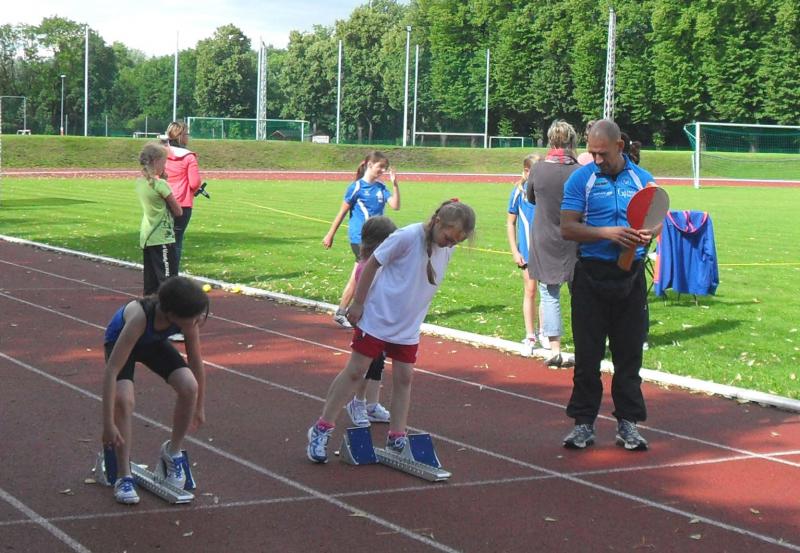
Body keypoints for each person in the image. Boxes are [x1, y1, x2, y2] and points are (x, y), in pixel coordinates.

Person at [307, 200, 476, 463]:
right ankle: (322, 428)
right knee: (355, 372)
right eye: (449, 238)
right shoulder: (407, 237)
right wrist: (358, 303)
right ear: (438, 222)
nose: (450, 244)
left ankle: (397, 435)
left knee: (404, 378)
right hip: (378, 317)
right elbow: (372, 263)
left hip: (407, 326)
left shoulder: (445, 249)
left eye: (457, 242)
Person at [560, 119, 660, 451]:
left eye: (602, 153)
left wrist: (649, 233)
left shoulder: (642, 180)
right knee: (587, 356)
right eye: (592, 153)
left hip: (630, 277)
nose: (597, 159)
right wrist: (607, 233)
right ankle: (583, 424)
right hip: (591, 275)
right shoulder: (581, 179)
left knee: (629, 355)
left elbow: (656, 219)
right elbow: (567, 227)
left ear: (620, 146)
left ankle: (628, 425)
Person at [101, 276, 209, 504]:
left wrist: (199, 405)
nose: (198, 320)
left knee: (189, 387)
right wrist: (108, 424)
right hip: (122, 342)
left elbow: (196, 362)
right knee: (124, 400)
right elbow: (112, 371)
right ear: (172, 314)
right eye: (193, 316)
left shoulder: (188, 321)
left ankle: (172, 453)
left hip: (152, 344)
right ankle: (124, 475)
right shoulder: (140, 317)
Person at [323, 151, 400, 328]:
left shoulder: (381, 188)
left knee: (362, 275)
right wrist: (330, 234)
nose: (383, 171)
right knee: (365, 275)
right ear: (370, 165)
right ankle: (350, 312)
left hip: (378, 237)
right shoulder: (356, 187)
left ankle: (345, 311)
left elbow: (395, 206)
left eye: (385, 168)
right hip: (361, 238)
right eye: (381, 167)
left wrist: (395, 185)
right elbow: (342, 212)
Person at [526, 120, 580, 368]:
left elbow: (531, 198)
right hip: (575, 236)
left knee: (549, 293)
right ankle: (584, 345)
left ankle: (554, 349)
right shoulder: (579, 171)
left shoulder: (538, 170)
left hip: (545, 236)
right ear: (572, 141)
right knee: (580, 295)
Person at [344, 216, 398, 427]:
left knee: (378, 364)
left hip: (382, 323)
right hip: (368, 322)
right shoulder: (368, 266)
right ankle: (358, 402)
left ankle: (372, 405)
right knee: (365, 365)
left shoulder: (380, 265)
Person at [506, 154, 543, 355]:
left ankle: (545, 332)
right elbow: (510, 223)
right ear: (527, 172)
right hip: (527, 251)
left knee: (547, 292)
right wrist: (515, 250)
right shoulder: (518, 192)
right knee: (530, 290)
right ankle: (530, 335)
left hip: (545, 251)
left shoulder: (546, 191)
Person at [137, 142, 182, 296]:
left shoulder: (140, 183)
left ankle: (149, 308)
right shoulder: (160, 184)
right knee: (168, 282)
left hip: (147, 236)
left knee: (151, 283)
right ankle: (170, 309)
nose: (165, 165)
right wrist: (164, 181)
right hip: (162, 236)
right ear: (156, 162)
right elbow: (178, 211)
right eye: (164, 162)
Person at [164, 121, 202, 272]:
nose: (188, 137)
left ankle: (161, 273)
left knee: (162, 241)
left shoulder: (161, 153)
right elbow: (194, 183)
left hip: (163, 202)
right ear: (180, 136)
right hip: (182, 204)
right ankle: (172, 275)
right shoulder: (189, 157)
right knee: (176, 241)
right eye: (187, 134)